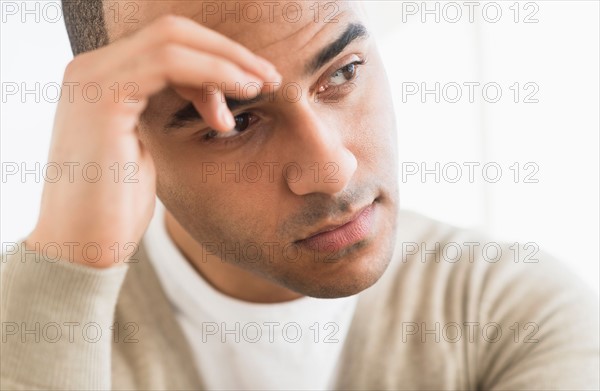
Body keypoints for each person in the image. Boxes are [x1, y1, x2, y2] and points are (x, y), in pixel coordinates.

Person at [1, 1, 598, 389]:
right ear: (129, 139)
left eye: (342, 73)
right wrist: (69, 271)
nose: (330, 170)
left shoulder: (515, 316)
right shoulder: (24, 327)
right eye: (232, 121)